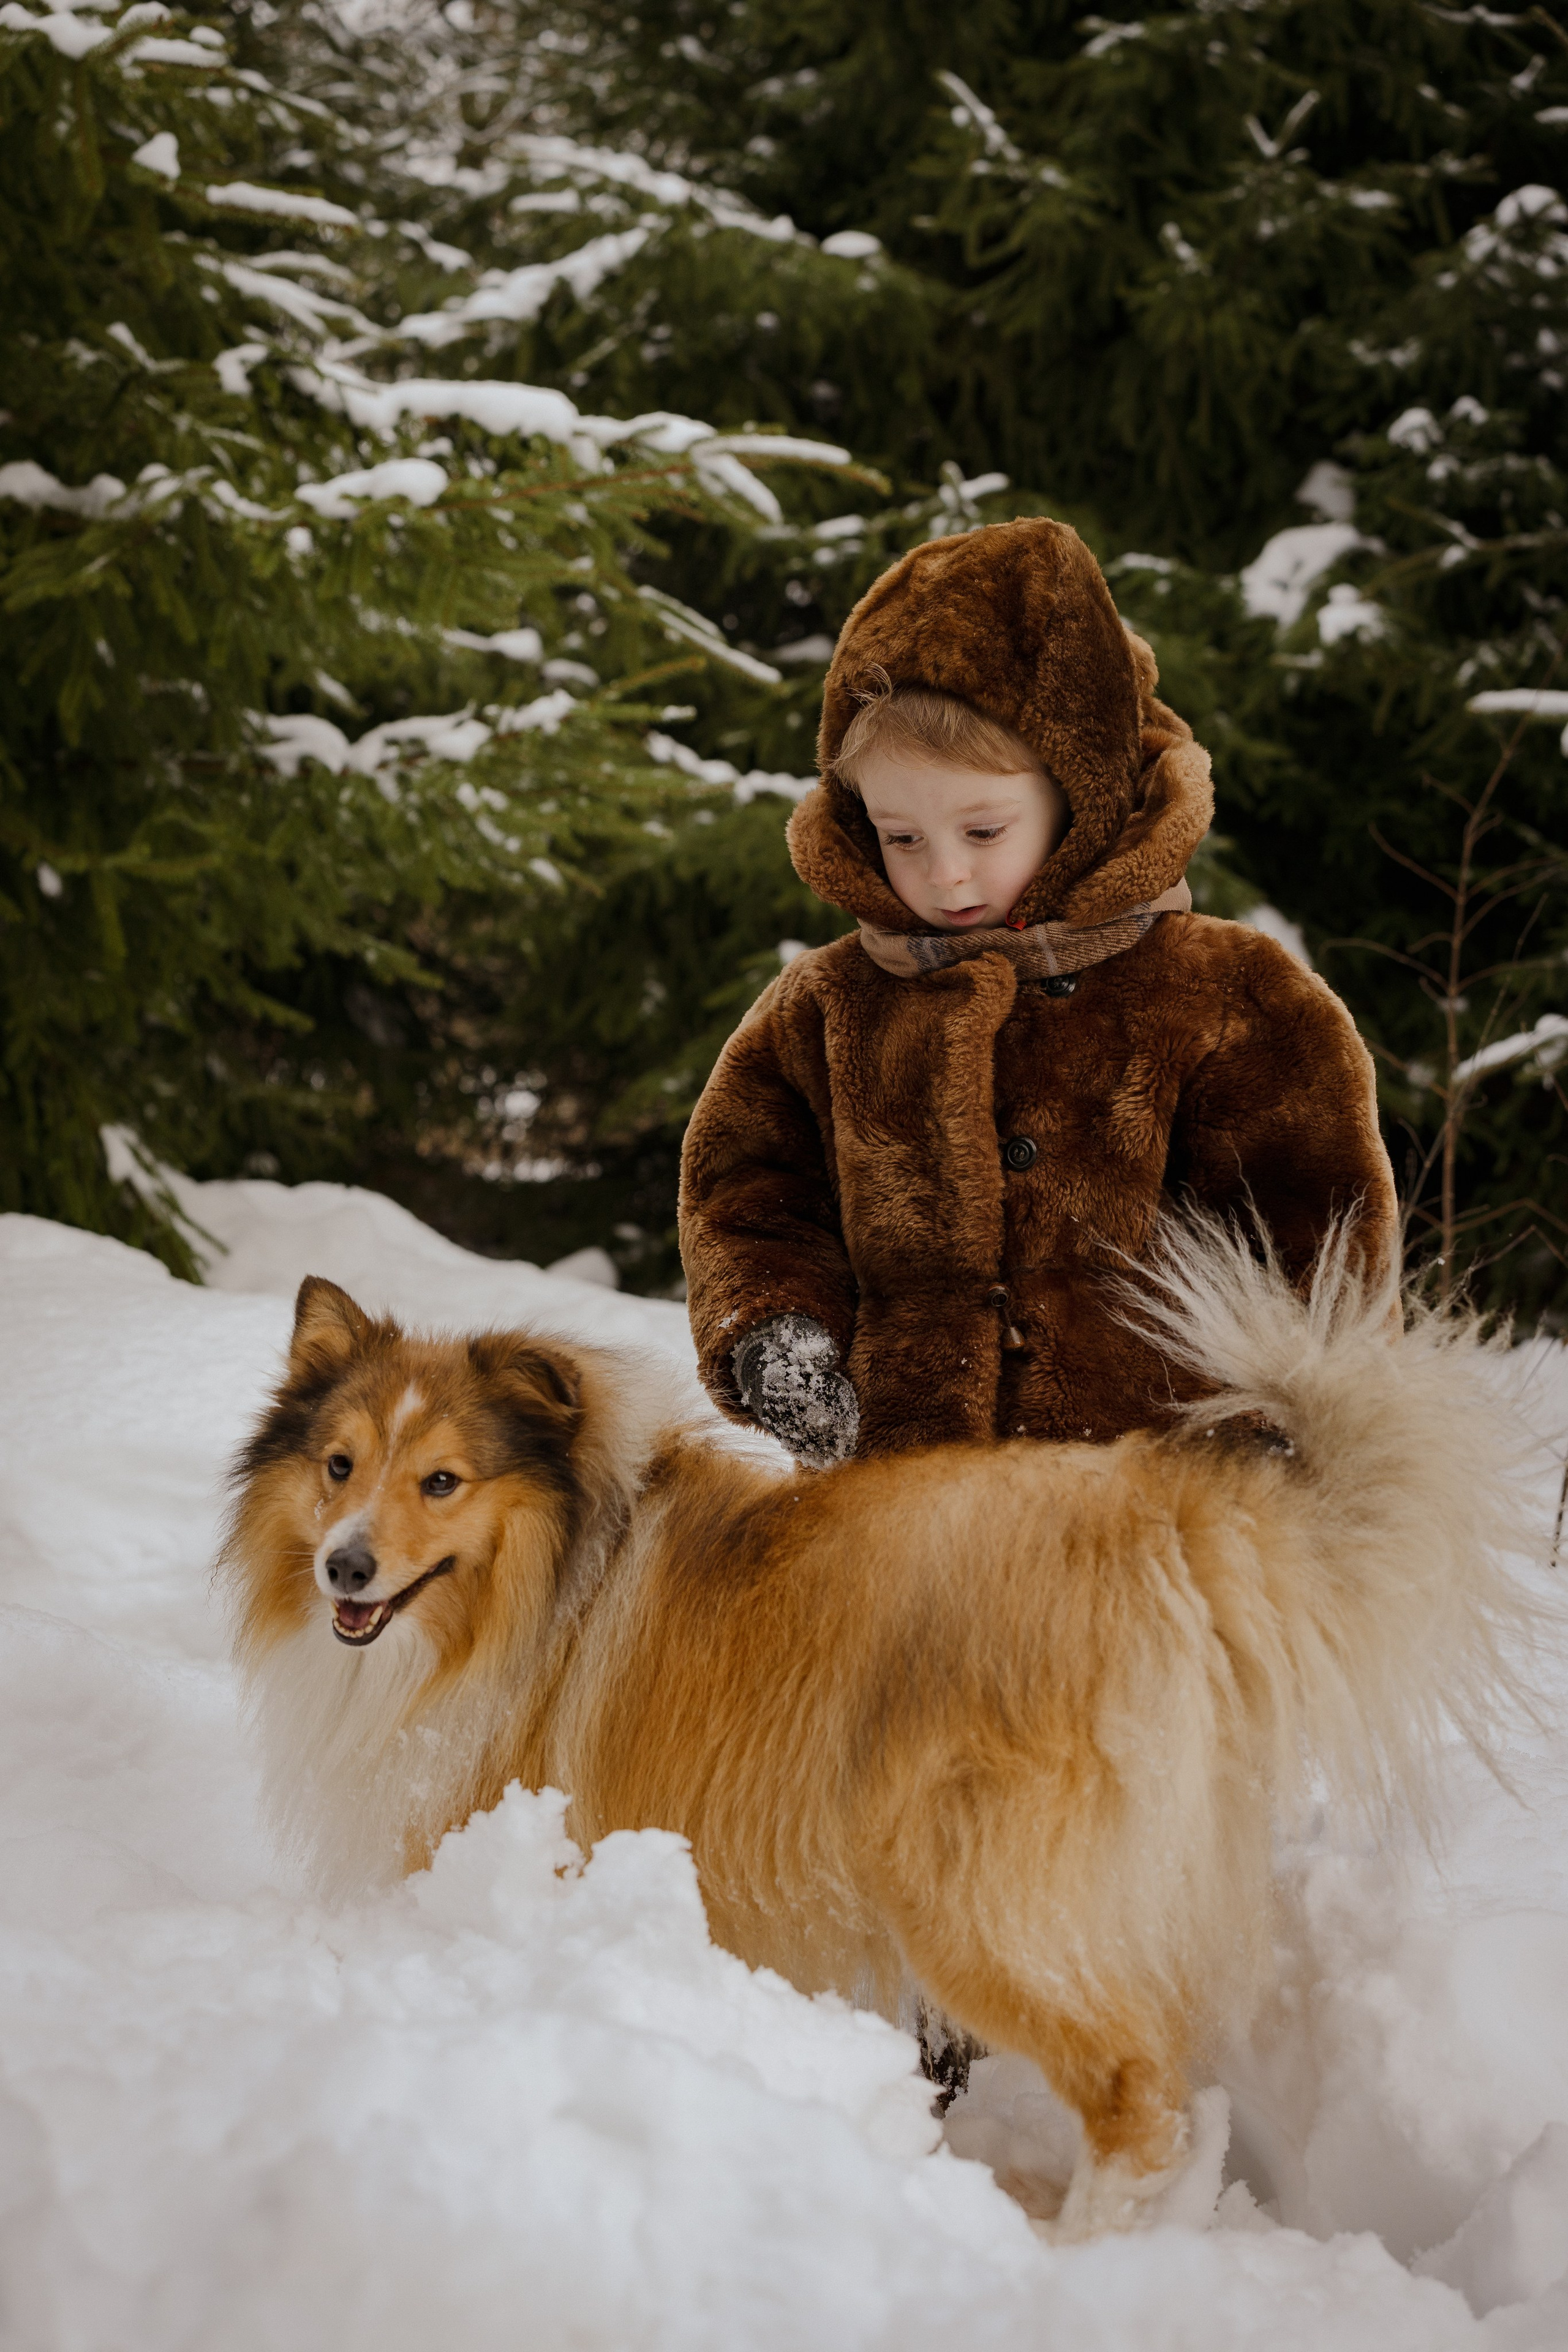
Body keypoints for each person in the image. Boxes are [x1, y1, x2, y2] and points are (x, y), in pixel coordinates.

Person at [678, 518, 1397, 1468]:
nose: (944, 878)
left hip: (1145, 1516)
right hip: (890, 1519)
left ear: (1081, 797)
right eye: (902, 837)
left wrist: (1277, 1432)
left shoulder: (1228, 995)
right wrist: (777, 1333)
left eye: (983, 832)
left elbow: (1314, 1239)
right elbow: (748, 1195)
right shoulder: (824, 1011)